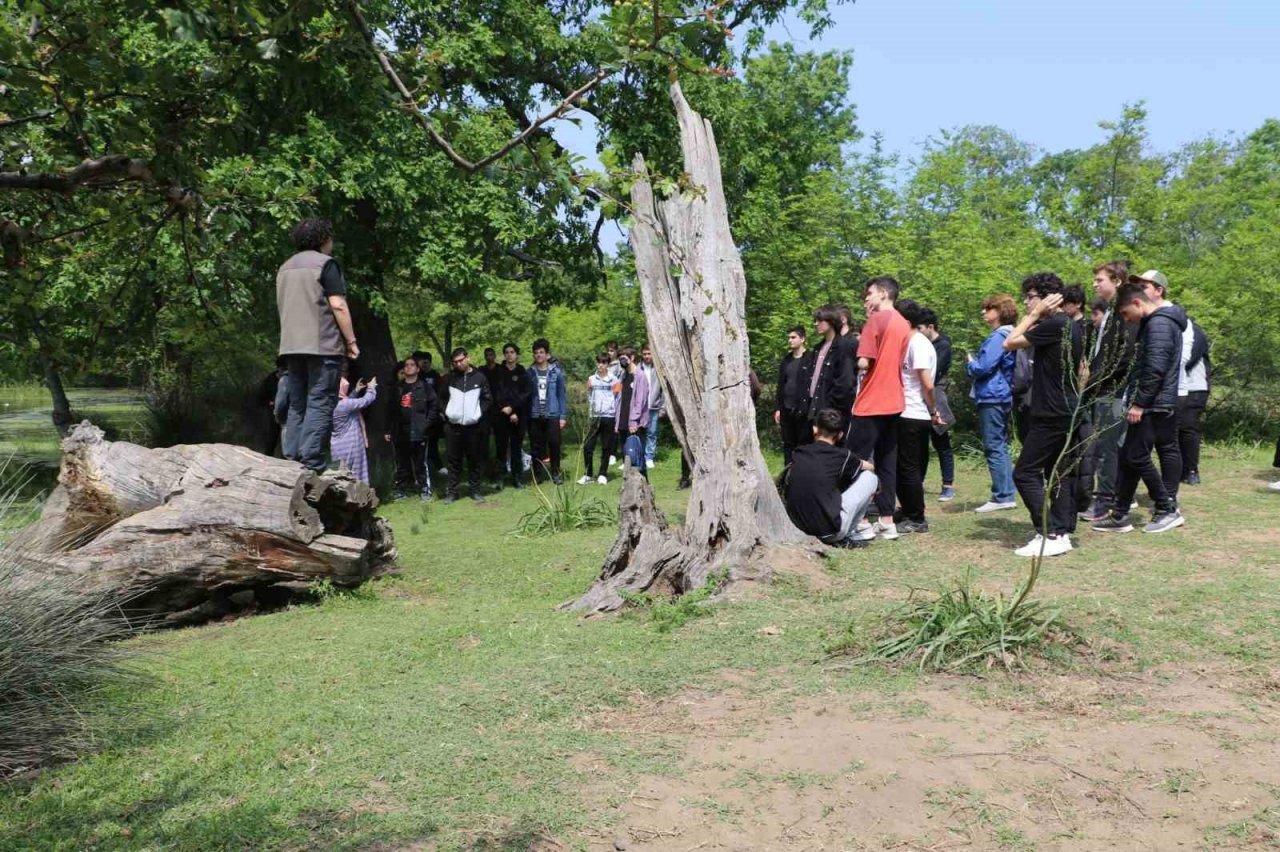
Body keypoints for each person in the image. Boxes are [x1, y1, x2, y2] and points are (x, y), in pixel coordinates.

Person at [1092, 278, 1188, 534]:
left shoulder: (1159, 325)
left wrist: (1139, 403)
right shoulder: (1153, 324)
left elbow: (1154, 369)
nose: (1126, 320)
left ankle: (1167, 508)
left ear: (1137, 302)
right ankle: (1120, 514)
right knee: (1127, 457)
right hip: (1150, 401)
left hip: (1154, 404)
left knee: (1135, 456)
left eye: (1125, 313)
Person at [1004, 272, 1084, 558]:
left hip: (1051, 412)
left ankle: (1048, 532)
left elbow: (1010, 342)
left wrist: (1035, 314)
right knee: (1056, 473)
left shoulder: (1052, 324)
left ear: (1049, 298)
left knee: (1024, 473)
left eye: (1030, 297)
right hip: (1063, 409)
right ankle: (1060, 533)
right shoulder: (1069, 324)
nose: (1027, 302)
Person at [276, 217, 358, 472]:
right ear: (324, 240)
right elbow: (338, 305)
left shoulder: (285, 267)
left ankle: (291, 457)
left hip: (290, 347)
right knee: (321, 401)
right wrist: (351, 341)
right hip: (322, 346)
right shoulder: (326, 265)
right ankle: (312, 459)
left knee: (297, 402)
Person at [848, 277, 912, 541]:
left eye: (869, 294)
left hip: (871, 400)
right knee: (887, 461)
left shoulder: (875, 320)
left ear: (884, 294)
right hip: (894, 399)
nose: (866, 299)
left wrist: (863, 334)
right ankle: (886, 520)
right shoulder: (903, 323)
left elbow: (864, 362)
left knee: (855, 460)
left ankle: (859, 519)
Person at [1078, 261, 1137, 522]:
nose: (1095, 284)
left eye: (1100, 279)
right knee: (1108, 445)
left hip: (1114, 392)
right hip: (1104, 389)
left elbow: (1125, 357)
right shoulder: (1112, 312)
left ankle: (1104, 503)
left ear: (1117, 281)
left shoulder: (1126, 312)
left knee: (1107, 446)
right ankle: (1117, 496)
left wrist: (1096, 381)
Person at [782, 409, 879, 548]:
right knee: (870, 478)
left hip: (798, 527)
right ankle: (850, 534)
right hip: (829, 533)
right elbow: (870, 467)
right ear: (840, 435)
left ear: (815, 429)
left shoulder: (799, 452)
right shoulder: (843, 456)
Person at [968, 294, 1019, 513]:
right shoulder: (1010, 333)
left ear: (1000, 311)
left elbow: (984, 367)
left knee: (994, 445)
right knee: (1000, 444)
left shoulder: (999, 337)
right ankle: (1006, 492)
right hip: (1001, 394)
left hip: (992, 395)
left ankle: (1002, 496)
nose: (984, 312)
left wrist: (970, 364)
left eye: (988, 308)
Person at [894, 300, 941, 534]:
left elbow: (927, 384)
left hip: (914, 413)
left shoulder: (919, 344)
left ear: (906, 321)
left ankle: (917, 518)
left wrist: (933, 411)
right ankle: (906, 508)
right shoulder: (906, 342)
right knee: (901, 467)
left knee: (910, 468)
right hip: (902, 413)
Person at [441, 348, 492, 503]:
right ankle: (452, 493)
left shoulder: (480, 377)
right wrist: (447, 413)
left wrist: (477, 414)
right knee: (453, 460)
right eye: (455, 362)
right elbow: (441, 398)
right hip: (453, 426)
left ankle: (475, 490)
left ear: (468, 358)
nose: (459, 363)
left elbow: (487, 399)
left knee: (474, 459)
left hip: (473, 427)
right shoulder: (449, 378)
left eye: (461, 360)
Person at [385, 355, 438, 501]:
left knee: (420, 462)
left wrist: (426, 424)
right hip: (400, 430)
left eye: (412, 365)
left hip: (419, 431)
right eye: (406, 365)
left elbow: (434, 406)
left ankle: (425, 490)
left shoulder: (425, 387)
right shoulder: (397, 388)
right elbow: (389, 410)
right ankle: (400, 490)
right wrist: (388, 430)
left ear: (418, 368)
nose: (408, 367)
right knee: (401, 462)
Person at [917, 307, 956, 501]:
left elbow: (932, 372)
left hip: (935, 395)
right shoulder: (919, 343)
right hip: (918, 396)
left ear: (930, 327)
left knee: (941, 441)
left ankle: (948, 484)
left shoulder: (943, 345)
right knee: (919, 444)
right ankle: (918, 482)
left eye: (920, 327)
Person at [806, 306, 856, 432]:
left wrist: (832, 410)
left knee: (834, 449)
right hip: (815, 408)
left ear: (832, 321)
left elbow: (845, 382)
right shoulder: (817, 348)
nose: (815, 323)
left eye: (820, 320)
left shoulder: (844, 346)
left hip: (833, 413)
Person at [527, 338, 568, 485]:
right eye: (536, 353)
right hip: (535, 414)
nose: (538, 355)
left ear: (547, 354)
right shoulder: (529, 373)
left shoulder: (556, 372)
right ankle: (537, 475)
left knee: (554, 444)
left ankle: (556, 473)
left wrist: (563, 416)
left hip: (553, 414)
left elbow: (561, 395)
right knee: (536, 446)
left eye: (541, 352)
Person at [1177, 317, 1211, 486]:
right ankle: (1178, 470)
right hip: (1175, 388)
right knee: (1174, 430)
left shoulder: (1195, 332)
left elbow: (1188, 360)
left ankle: (1191, 470)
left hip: (1195, 388)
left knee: (1188, 428)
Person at [492, 343, 531, 489]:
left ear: (517, 355)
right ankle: (500, 477)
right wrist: (505, 407)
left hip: (518, 416)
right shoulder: (498, 372)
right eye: (507, 352)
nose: (509, 355)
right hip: (501, 414)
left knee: (516, 447)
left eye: (512, 352)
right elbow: (496, 393)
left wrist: (513, 409)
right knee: (501, 447)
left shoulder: (522, 373)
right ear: (504, 355)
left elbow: (525, 393)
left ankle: (517, 478)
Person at [774, 326, 814, 466]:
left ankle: (802, 474)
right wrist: (778, 408)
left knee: (803, 444)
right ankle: (787, 475)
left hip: (803, 410)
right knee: (788, 444)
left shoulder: (810, 359)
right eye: (789, 337)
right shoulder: (786, 360)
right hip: (786, 408)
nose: (790, 340)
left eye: (793, 337)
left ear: (802, 339)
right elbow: (781, 385)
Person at [581, 354, 621, 485]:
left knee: (606, 447)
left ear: (607, 364)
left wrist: (615, 414)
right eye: (598, 363)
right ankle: (588, 474)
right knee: (588, 446)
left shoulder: (614, 380)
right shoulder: (591, 379)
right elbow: (589, 395)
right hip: (594, 416)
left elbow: (618, 398)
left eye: (603, 363)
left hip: (608, 416)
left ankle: (603, 473)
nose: (600, 365)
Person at [331, 375, 378, 483]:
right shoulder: (344, 405)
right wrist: (371, 387)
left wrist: (355, 391)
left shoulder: (331, 404)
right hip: (350, 445)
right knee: (355, 474)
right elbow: (365, 400)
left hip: (337, 445)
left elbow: (347, 402)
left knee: (341, 473)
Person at [616, 347, 651, 477]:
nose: (622, 361)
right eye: (620, 358)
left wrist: (634, 421)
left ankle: (643, 489)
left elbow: (640, 401)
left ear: (632, 358)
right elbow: (619, 399)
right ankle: (629, 490)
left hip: (635, 424)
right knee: (627, 457)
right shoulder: (623, 376)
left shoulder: (640, 376)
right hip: (623, 423)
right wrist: (617, 422)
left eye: (624, 357)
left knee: (637, 457)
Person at [414, 351, 446, 477]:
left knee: (433, 440)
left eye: (426, 362)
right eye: (422, 362)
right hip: (420, 412)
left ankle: (437, 464)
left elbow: (440, 393)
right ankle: (421, 467)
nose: (424, 364)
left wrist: (440, 410)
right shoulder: (417, 376)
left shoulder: (435, 376)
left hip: (434, 413)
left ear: (430, 362)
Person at [640, 344, 665, 470]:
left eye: (649, 353)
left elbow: (664, 389)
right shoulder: (638, 368)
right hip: (640, 407)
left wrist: (663, 407)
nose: (647, 356)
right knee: (640, 432)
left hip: (654, 406)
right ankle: (639, 456)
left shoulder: (659, 369)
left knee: (652, 433)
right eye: (645, 354)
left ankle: (649, 457)